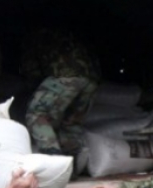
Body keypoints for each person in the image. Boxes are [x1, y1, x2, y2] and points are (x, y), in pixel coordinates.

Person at [22, 27, 100, 162]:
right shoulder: (70, 35)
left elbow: (32, 70)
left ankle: (56, 162)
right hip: (91, 79)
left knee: (36, 114)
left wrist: (32, 89)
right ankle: (72, 165)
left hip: (65, 76)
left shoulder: (38, 35)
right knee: (71, 124)